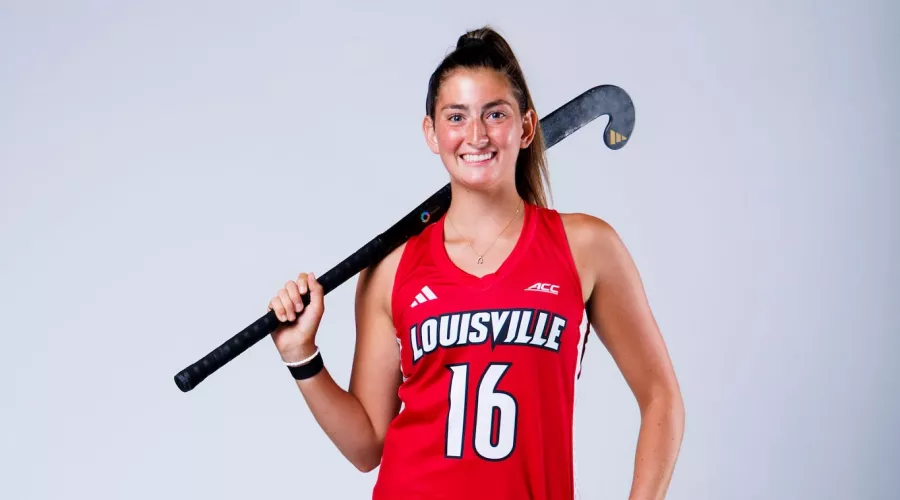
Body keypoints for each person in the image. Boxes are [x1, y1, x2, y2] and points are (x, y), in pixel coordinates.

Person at [267, 26, 685, 500]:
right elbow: (367, 447)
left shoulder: (586, 246)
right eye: (456, 117)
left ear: (526, 127)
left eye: (495, 114)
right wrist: (301, 355)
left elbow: (661, 399)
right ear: (432, 132)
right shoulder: (391, 266)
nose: (476, 135)